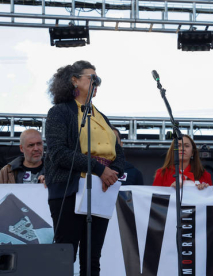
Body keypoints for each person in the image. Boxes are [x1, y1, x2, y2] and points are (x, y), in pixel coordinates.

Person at [45, 60, 125, 276]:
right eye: (92, 78)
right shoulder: (59, 112)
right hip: (70, 189)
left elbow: (119, 152)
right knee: (65, 253)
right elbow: (59, 153)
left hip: (101, 189)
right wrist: (99, 169)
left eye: (97, 79)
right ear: (74, 80)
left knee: (92, 257)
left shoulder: (101, 116)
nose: (96, 82)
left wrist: (113, 171)